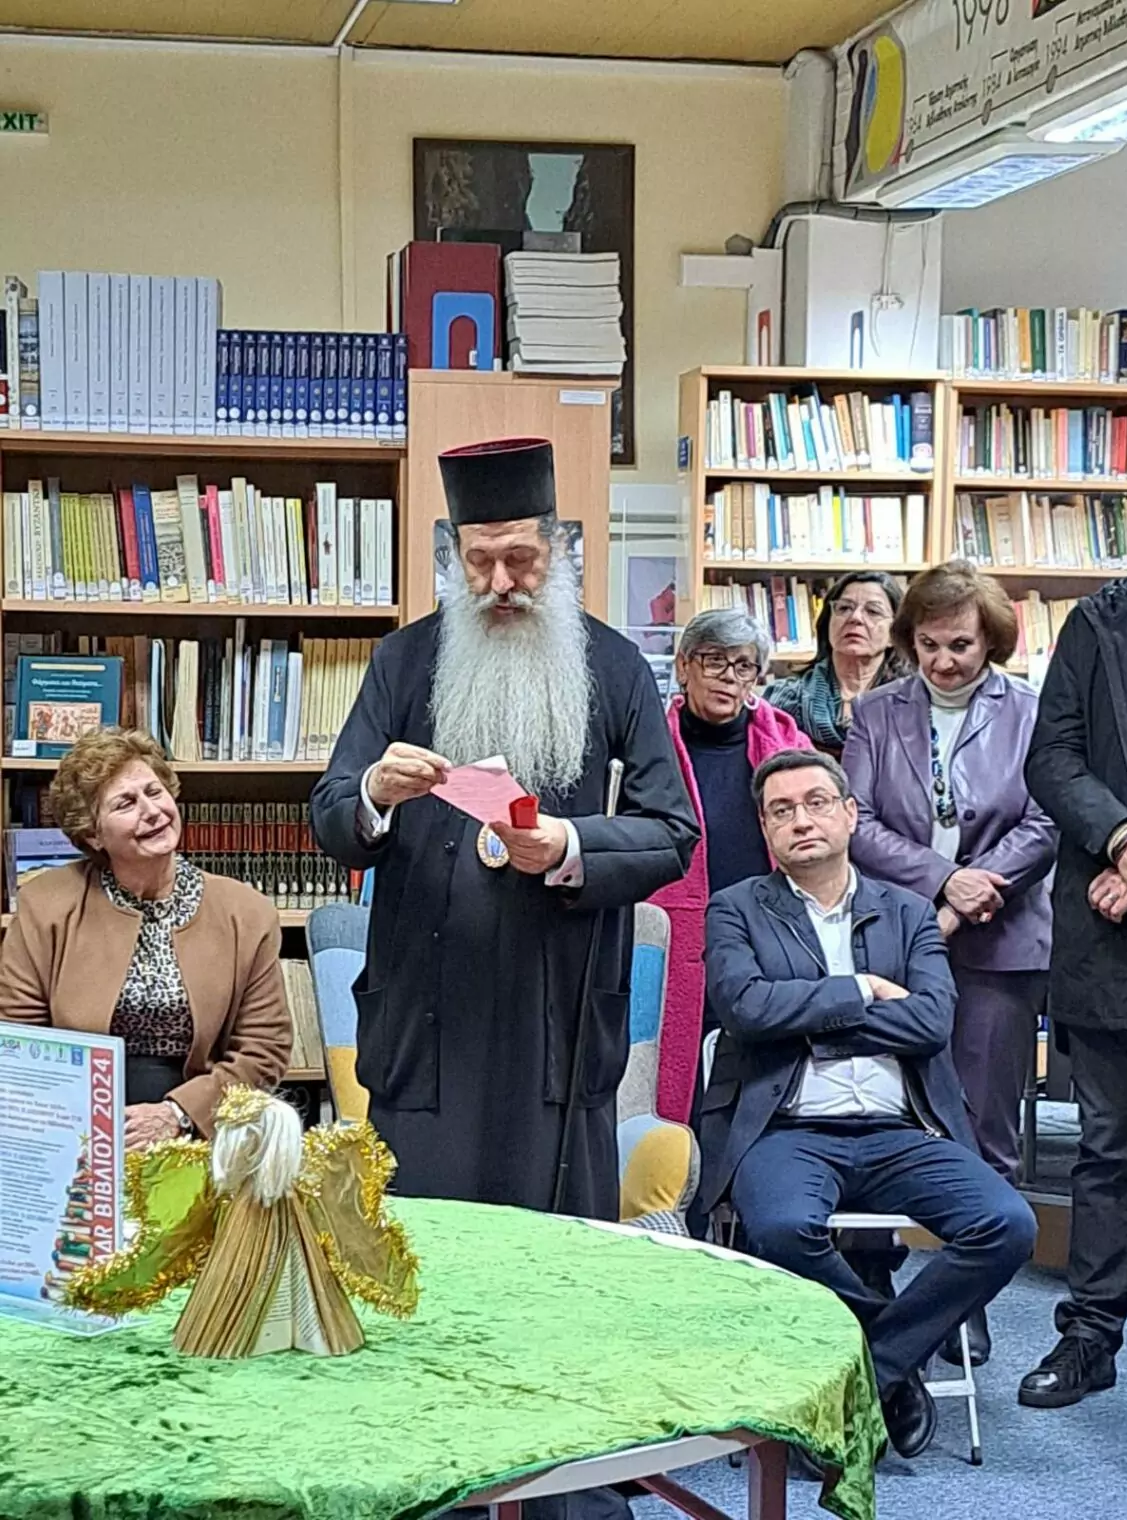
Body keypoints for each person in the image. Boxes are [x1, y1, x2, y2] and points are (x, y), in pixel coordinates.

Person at [310, 437, 699, 1220]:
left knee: (551, 1261)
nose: (499, 584)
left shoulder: (616, 667)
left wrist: (570, 846)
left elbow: (671, 832)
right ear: (456, 557)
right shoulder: (403, 662)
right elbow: (331, 811)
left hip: (557, 1022)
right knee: (424, 1251)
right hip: (427, 1024)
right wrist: (376, 793)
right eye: (480, 562)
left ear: (556, 550)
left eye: (520, 560)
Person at [698, 750, 1036, 1459]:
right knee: (781, 1228)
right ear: (766, 830)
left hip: (901, 1128)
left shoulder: (907, 911)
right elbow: (746, 1008)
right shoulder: (736, 909)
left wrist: (810, 1019)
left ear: (851, 814)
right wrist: (863, 990)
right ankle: (893, 1362)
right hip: (787, 1128)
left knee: (1007, 1225)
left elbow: (931, 1022)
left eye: (817, 802)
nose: (801, 820)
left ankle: (874, 1367)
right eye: (782, 810)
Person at [842, 561, 1056, 1366]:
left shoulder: (1029, 711)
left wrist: (972, 891)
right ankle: (873, 1277)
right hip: (896, 935)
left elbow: (1045, 821)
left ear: (991, 640)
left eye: (960, 646)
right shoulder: (877, 712)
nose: (943, 662)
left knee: (983, 1125)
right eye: (928, 645)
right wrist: (941, 879)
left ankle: (969, 1298)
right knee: (881, 1108)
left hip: (1001, 945)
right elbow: (858, 822)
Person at [0, 728, 292, 1145]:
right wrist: (82, 1125)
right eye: (126, 803)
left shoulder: (246, 912)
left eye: (155, 792)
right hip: (73, 1125)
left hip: (205, 1129)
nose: (153, 811)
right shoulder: (45, 905)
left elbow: (264, 1048)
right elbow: (17, 1040)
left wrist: (179, 1115)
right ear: (93, 834)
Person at [1018, 573, 1127, 1408]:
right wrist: (1123, 837)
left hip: (1120, 891)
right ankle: (1091, 1337)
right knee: (1108, 1149)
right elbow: (1052, 758)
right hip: (1110, 945)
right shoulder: (1098, 623)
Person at [652, 607, 812, 1126]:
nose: (728, 677)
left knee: (760, 1081)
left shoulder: (787, 745)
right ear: (683, 666)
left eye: (743, 665)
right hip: (674, 933)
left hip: (764, 935)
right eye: (714, 661)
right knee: (675, 1076)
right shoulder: (650, 742)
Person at [765, 571, 910, 756]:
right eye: (844, 608)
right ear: (828, 622)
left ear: (894, 634)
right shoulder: (786, 699)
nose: (855, 618)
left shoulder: (911, 702)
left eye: (873, 611)